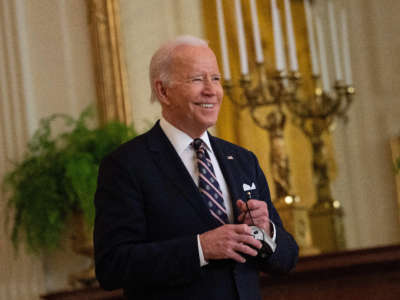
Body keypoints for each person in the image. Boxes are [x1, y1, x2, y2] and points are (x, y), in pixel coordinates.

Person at [94, 35, 298, 300]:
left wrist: (266, 231)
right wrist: (200, 249)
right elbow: (113, 266)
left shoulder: (243, 161)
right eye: (197, 79)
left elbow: (288, 258)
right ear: (163, 91)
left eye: (215, 78)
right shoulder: (126, 165)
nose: (211, 90)